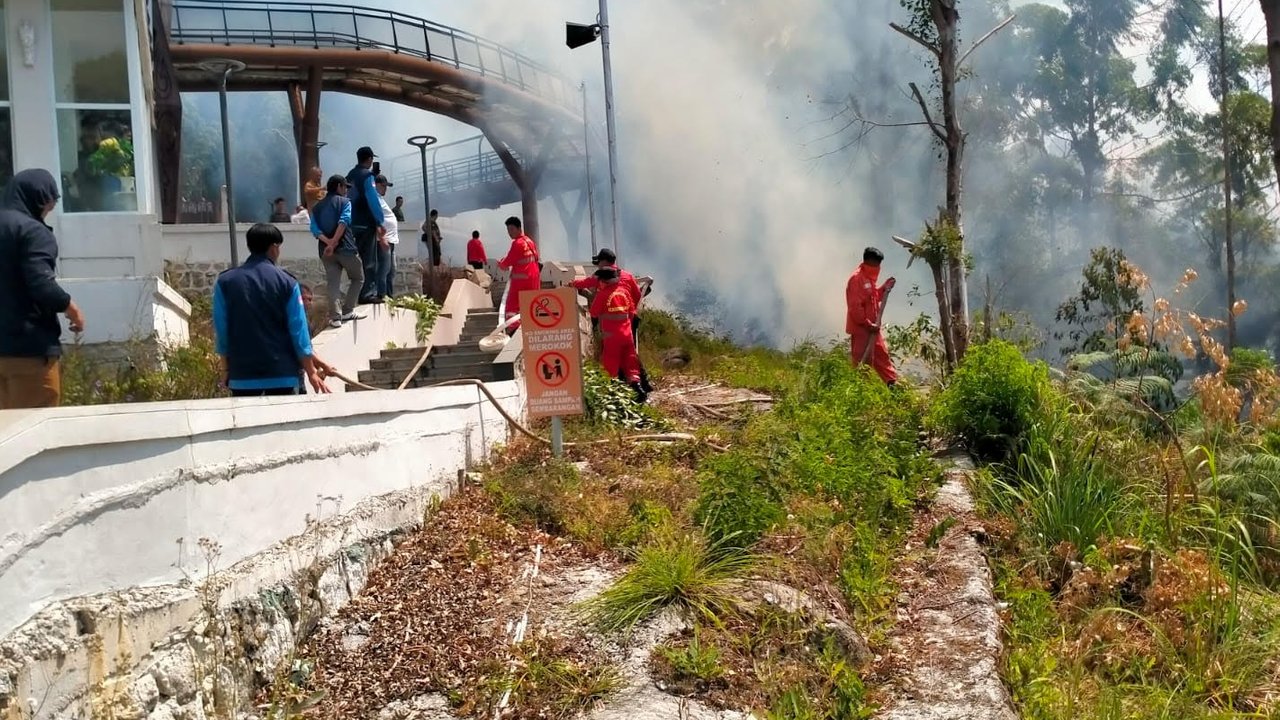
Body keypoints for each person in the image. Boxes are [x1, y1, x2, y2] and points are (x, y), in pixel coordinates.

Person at [0, 168, 86, 409]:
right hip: (29, 353)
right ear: (39, 197)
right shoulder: (33, 231)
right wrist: (71, 308)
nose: (51, 207)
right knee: (33, 431)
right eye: (52, 199)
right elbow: (41, 283)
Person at [213, 224, 329, 396]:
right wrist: (311, 372)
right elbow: (299, 332)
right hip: (282, 374)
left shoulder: (225, 282)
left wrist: (226, 370)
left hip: (242, 375)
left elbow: (222, 331)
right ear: (274, 247)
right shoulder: (287, 282)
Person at [572, 248, 653, 392]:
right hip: (628, 321)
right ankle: (639, 384)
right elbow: (636, 296)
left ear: (604, 262)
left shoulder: (602, 280)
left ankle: (615, 388)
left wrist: (572, 284)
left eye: (599, 263)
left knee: (611, 358)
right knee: (630, 353)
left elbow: (593, 305)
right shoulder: (627, 276)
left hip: (610, 329)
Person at [311, 174, 365, 329]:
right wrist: (334, 242)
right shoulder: (345, 203)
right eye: (345, 187)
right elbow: (343, 222)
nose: (346, 190)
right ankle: (348, 310)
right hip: (346, 248)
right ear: (339, 187)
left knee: (333, 283)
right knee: (358, 277)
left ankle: (335, 318)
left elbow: (314, 229)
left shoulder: (316, 208)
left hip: (326, 252)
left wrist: (328, 243)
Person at [846, 246, 898, 386]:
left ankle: (894, 387)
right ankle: (862, 394)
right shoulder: (856, 279)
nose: (878, 268)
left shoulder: (868, 278)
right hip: (862, 330)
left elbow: (874, 298)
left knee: (883, 359)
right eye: (876, 265)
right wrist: (868, 324)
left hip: (874, 329)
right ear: (869, 261)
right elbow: (855, 308)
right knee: (863, 363)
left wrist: (885, 287)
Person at [594, 267, 646, 403]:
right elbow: (631, 312)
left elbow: (593, 312)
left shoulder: (603, 294)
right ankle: (638, 389)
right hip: (627, 335)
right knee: (630, 364)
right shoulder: (624, 292)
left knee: (610, 367)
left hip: (611, 337)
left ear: (604, 281)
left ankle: (612, 396)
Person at [345, 146, 386, 303]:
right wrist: (380, 221)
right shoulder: (367, 176)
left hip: (350, 224)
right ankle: (367, 294)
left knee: (357, 261)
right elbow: (372, 199)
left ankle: (357, 293)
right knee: (369, 260)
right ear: (369, 159)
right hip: (365, 224)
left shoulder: (350, 175)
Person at [496, 216, 540, 334]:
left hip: (521, 280)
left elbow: (507, 262)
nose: (510, 233)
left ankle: (513, 329)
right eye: (508, 230)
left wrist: (500, 264)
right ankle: (532, 326)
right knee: (531, 304)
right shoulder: (530, 242)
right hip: (534, 278)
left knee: (512, 306)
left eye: (511, 229)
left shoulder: (517, 243)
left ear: (519, 228)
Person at [374, 174, 399, 300]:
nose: (385, 189)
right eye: (383, 186)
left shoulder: (380, 198)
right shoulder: (374, 199)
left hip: (391, 240)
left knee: (391, 271)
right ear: (376, 185)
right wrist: (382, 237)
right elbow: (374, 218)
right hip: (384, 240)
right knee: (384, 270)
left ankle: (389, 295)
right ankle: (382, 295)